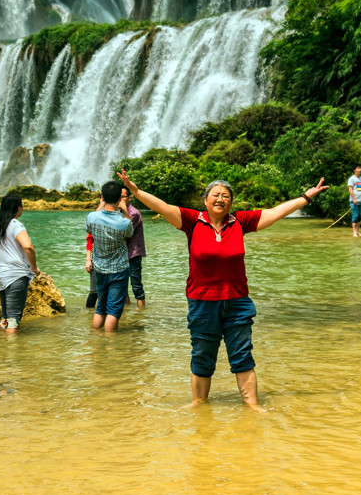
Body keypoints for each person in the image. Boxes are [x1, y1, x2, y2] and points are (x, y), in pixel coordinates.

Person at [118, 170, 328, 409]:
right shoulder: (191, 221)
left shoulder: (240, 222)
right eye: (215, 194)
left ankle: (252, 407)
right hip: (202, 301)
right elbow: (163, 207)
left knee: (242, 355)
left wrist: (306, 198)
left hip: (237, 302)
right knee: (202, 354)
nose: (220, 198)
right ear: (205, 199)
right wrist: (135, 192)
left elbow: (274, 213)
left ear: (231, 201)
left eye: (226, 195)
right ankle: (199, 404)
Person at [85, 181, 134, 332]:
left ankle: (95, 341)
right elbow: (130, 233)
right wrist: (125, 210)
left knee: (100, 307)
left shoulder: (92, 217)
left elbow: (88, 228)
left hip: (99, 269)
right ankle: (111, 346)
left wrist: (101, 205)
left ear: (102, 197)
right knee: (113, 311)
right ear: (120, 198)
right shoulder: (124, 223)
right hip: (118, 270)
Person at [0, 193, 40, 333]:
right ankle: (12, 352)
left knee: (6, 318)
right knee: (13, 320)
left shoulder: (0, 226)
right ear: (17, 207)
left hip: (1, 276)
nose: (22, 208)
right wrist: (34, 268)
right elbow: (28, 247)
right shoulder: (15, 224)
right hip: (15, 276)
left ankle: (4, 349)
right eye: (22, 205)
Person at [347, 165, 361, 237]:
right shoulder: (352, 179)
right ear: (354, 170)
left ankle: (357, 231)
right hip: (354, 201)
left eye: (360, 168)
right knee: (355, 216)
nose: (360, 169)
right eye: (358, 168)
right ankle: (354, 232)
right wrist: (354, 199)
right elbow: (350, 189)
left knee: (359, 216)